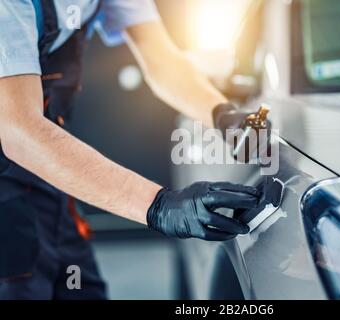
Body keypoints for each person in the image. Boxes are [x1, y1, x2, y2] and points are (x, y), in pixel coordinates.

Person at [0, 0, 262, 299]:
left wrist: (222, 115)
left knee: (81, 289)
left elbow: (161, 59)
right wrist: (159, 206)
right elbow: (19, 130)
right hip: (11, 179)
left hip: (45, 176)